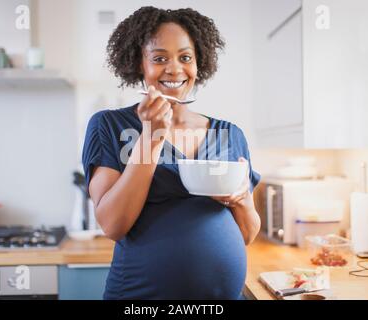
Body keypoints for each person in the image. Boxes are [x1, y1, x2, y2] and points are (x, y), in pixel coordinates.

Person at [82, 6, 261, 300]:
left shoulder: (229, 133)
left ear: (199, 63)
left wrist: (240, 199)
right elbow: (113, 224)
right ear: (140, 64)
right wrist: (151, 136)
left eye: (185, 57)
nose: (175, 69)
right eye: (160, 58)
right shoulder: (110, 124)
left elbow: (247, 234)